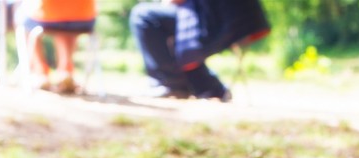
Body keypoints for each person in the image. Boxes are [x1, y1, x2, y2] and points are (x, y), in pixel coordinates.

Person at [129, 0, 270, 101]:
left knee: (143, 15)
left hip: (219, 19)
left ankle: (172, 83)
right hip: (246, 18)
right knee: (181, 34)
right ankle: (209, 87)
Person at [20, 0, 96, 93]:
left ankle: (40, 72)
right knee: (68, 21)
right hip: (84, 17)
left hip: (48, 15)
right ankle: (65, 70)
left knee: (23, 18)